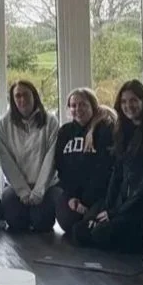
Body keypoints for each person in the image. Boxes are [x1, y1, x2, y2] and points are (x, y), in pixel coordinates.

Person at [73, 79, 143, 252]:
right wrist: (108, 208)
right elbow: (117, 173)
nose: (128, 105)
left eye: (133, 100)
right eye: (124, 101)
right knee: (80, 230)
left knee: (99, 233)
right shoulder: (122, 130)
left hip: (140, 204)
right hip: (120, 200)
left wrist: (113, 214)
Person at [0, 80, 61, 232]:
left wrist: (39, 191)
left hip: (47, 187)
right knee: (16, 223)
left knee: (41, 224)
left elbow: (51, 160)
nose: (22, 100)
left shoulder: (51, 122)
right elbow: (6, 162)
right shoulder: (3, 124)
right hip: (17, 188)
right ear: (12, 100)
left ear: (35, 96)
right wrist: (23, 191)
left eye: (26, 95)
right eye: (17, 96)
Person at [53, 88, 115, 233]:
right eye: (73, 105)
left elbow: (104, 169)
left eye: (83, 105)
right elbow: (60, 167)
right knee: (68, 223)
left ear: (93, 106)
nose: (78, 109)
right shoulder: (65, 132)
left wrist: (86, 200)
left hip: (98, 195)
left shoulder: (104, 130)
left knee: (85, 230)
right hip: (72, 194)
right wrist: (71, 197)